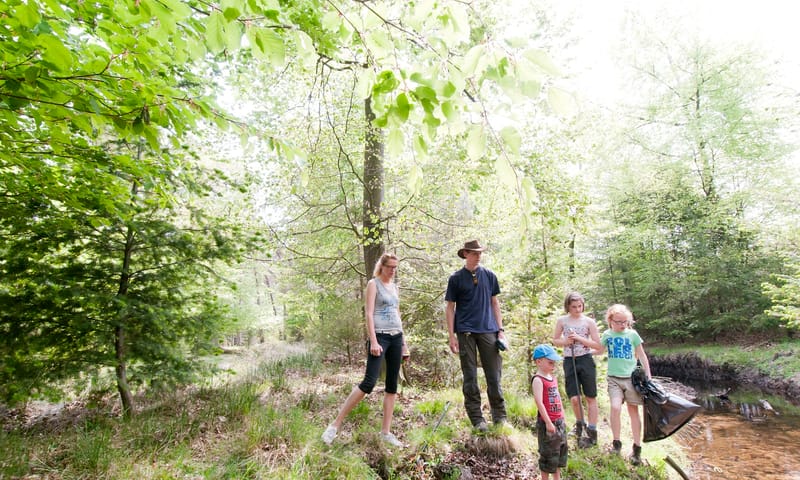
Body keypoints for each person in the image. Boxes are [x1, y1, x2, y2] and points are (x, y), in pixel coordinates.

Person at [321, 253, 410, 447]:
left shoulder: (395, 287)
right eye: (390, 267)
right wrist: (374, 341)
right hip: (380, 337)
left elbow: (397, 314)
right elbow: (369, 314)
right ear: (382, 266)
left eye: (396, 267)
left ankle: (386, 432)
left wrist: (404, 343)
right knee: (368, 383)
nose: (393, 270)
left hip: (396, 337)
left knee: (392, 386)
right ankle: (334, 426)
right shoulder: (373, 284)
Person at [446, 240, 507, 432]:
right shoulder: (456, 278)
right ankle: (477, 420)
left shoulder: (489, 276)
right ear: (465, 254)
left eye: (480, 252)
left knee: (494, 375)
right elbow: (450, 308)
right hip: (465, 332)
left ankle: (500, 417)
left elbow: (495, 303)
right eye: (474, 252)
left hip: (489, 330)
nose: (478, 255)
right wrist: (451, 335)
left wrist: (501, 330)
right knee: (470, 376)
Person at [597, 304, 652, 465]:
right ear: (610, 320)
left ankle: (636, 449)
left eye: (625, 322)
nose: (622, 325)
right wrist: (581, 347)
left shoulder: (633, 335)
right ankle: (616, 443)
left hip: (631, 379)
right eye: (619, 321)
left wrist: (648, 375)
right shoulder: (607, 334)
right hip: (613, 378)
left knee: (633, 411)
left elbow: (642, 355)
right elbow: (599, 350)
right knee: (615, 407)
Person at [552, 292, 602, 447]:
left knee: (590, 397)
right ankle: (580, 424)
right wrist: (566, 341)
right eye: (574, 307)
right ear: (568, 306)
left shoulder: (589, 322)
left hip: (586, 359)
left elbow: (598, 345)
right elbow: (555, 340)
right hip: (569, 360)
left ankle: (592, 431)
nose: (577, 309)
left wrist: (579, 339)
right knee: (574, 398)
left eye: (580, 306)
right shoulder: (562, 321)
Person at [532, 344, 568, 480]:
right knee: (548, 455)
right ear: (539, 362)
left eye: (554, 363)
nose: (553, 365)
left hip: (559, 422)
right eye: (550, 362)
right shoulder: (538, 380)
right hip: (548, 423)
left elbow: (558, 398)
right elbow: (539, 402)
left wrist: (563, 417)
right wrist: (547, 422)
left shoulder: (553, 378)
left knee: (559, 454)